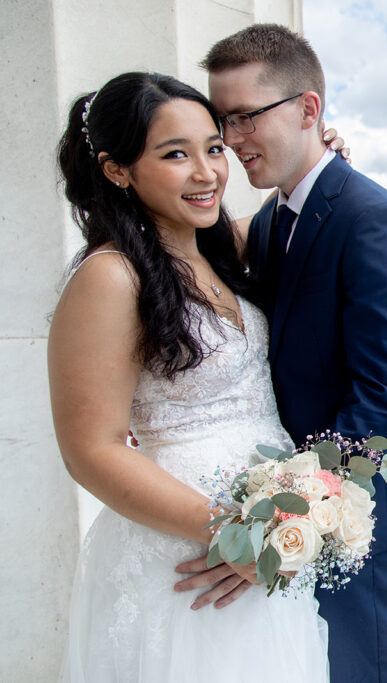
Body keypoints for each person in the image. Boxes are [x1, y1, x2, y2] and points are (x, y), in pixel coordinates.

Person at [51, 72, 328, 681]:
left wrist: (316, 163)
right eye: (175, 154)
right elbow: (90, 451)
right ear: (117, 169)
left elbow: (292, 215)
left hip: (270, 544)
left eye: (213, 149)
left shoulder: (220, 249)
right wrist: (238, 535)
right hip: (185, 555)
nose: (207, 173)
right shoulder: (110, 277)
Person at [184, 24, 387, 682]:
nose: (230, 141)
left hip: (355, 506)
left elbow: (379, 396)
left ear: (308, 109)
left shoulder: (368, 215)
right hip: (292, 492)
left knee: (362, 668)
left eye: (243, 118)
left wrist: (282, 513)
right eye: (221, 121)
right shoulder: (268, 221)